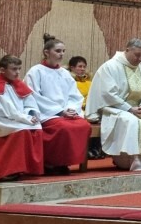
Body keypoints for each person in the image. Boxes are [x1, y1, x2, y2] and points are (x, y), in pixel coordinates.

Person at [85, 38, 141, 171]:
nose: (140, 59)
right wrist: (129, 108)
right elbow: (108, 94)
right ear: (127, 50)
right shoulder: (110, 67)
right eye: (137, 55)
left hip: (139, 108)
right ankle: (128, 161)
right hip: (114, 108)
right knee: (132, 122)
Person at [23, 34, 91, 175]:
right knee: (63, 128)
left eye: (63, 51)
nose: (61, 54)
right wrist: (59, 111)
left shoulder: (64, 73)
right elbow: (34, 96)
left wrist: (70, 109)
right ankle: (51, 163)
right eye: (58, 51)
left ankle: (65, 162)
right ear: (46, 52)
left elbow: (74, 95)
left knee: (84, 125)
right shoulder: (35, 71)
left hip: (65, 112)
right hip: (47, 114)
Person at [0, 55, 44, 181]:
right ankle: (8, 170)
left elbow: (30, 103)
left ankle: (28, 168)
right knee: (21, 131)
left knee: (37, 128)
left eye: (19, 69)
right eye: (14, 69)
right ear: (2, 70)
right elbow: (3, 111)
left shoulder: (18, 84)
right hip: (1, 121)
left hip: (18, 118)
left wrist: (31, 115)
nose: (18, 72)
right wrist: (24, 118)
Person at [69, 55, 103, 159]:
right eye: (80, 66)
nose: (83, 69)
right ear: (72, 68)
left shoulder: (90, 82)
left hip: (91, 108)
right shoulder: (70, 82)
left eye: (84, 66)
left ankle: (96, 148)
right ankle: (86, 149)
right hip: (78, 109)